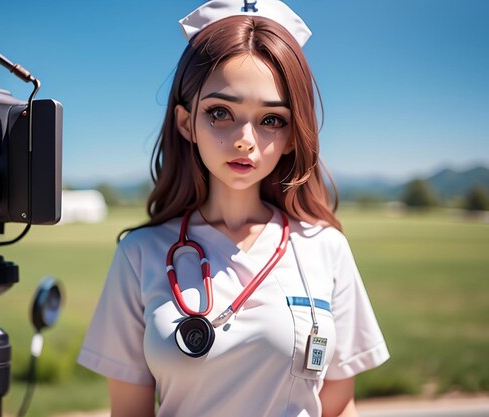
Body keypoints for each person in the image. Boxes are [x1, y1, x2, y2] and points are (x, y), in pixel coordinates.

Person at [78, 1, 390, 416]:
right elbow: (129, 412)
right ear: (186, 122)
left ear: (294, 135)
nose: (245, 139)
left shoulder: (325, 248)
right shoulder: (139, 254)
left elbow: (338, 406)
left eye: (271, 120)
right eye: (221, 113)